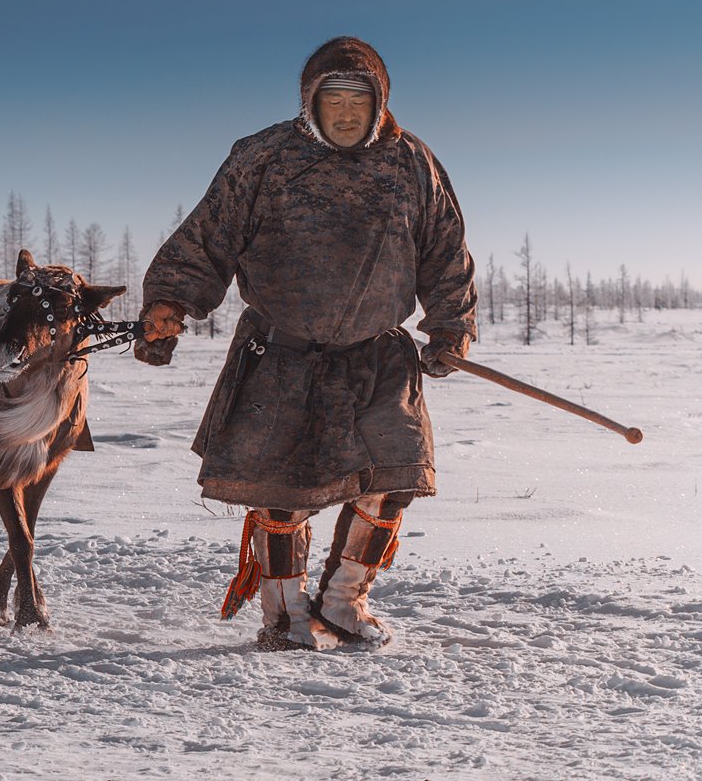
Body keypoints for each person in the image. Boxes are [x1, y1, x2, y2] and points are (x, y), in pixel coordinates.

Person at [135, 37, 475, 650]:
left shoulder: (411, 163)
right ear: (308, 101)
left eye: (360, 99)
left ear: (381, 102)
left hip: (380, 355)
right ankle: (286, 616)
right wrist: (169, 303)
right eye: (333, 99)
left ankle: (344, 602)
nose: (346, 113)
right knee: (284, 490)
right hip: (283, 353)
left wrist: (451, 325)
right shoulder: (262, 157)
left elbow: (445, 251)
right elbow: (207, 238)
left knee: (395, 476)